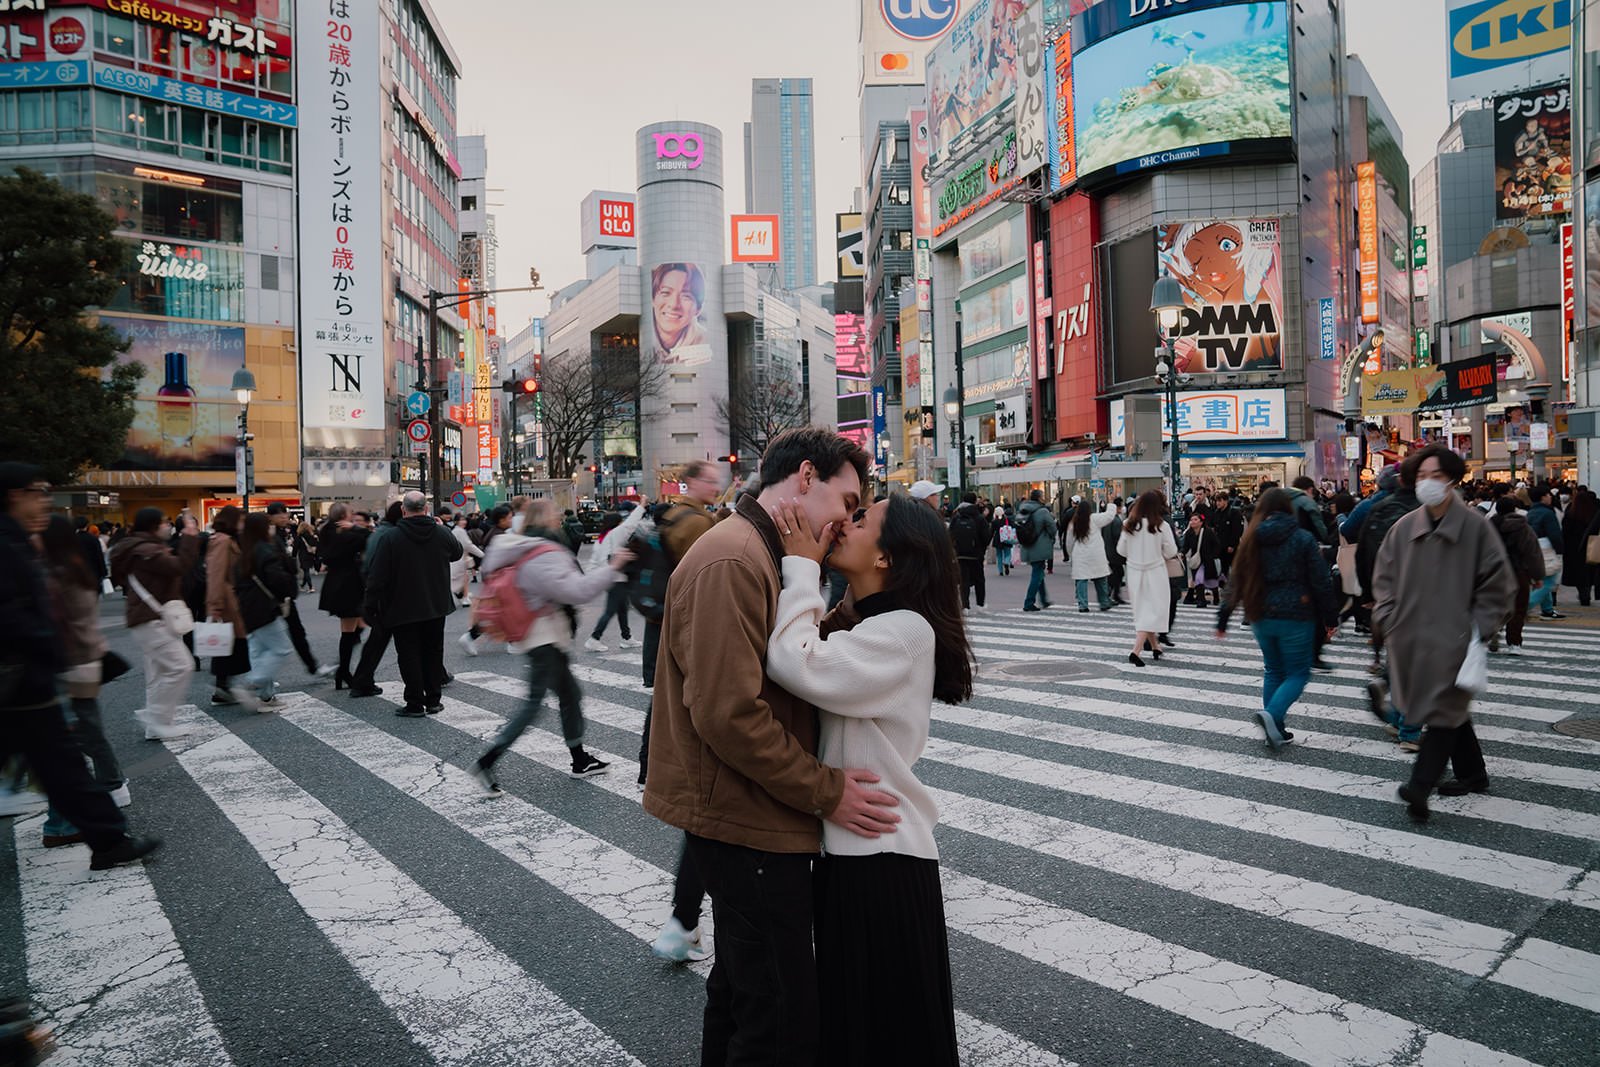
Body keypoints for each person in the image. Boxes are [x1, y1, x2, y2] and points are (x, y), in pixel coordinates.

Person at [643, 427, 898, 1064]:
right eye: (846, 501)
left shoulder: (765, 551)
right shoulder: (735, 557)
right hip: (745, 816)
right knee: (781, 1017)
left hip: (753, 810)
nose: (846, 520)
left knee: (742, 995)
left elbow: (796, 664)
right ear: (805, 478)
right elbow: (729, 714)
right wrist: (827, 792)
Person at [766, 492, 971, 1066]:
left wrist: (802, 566)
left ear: (887, 558)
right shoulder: (880, 623)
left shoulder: (904, 630)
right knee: (869, 1025)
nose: (845, 525)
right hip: (862, 850)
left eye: (862, 520)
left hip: (880, 857)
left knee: (881, 1031)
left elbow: (793, 660)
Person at [0, 462, 158, 870]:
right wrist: (47, 647)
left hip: (25, 678)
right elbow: (10, 614)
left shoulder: (18, 540)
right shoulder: (7, 543)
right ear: (16, 495)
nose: (46, 501)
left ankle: (107, 840)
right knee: (61, 761)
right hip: (18, 677)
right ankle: (107, 839)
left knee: (61, 762)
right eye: (39, 491)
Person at [1374, 445, 1514, 822]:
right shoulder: (1404, 528)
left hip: (1457, 642)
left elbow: (1498, 584)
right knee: (1449, 710)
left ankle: (1419, 786)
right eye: (1421, 476)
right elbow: (1383, 580)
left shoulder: (1474, 528)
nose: (1427, 483)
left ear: (1453, 480)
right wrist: (1389, 618)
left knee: (1442, 712)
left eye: (1435, 476)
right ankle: (1473, 773)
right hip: (1412, 640)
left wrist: (1480, 628)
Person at [471, 497, 634, 791]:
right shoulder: (541, 552)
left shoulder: (517, 546)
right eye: (554, 514)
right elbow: (577, 590)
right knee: (535, 704)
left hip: (542, 635)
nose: (558, 517)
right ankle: (487, 761)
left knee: (570, 694)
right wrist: (615, 567)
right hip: (543, 637)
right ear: (542, 519)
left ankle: (580, 758)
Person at [1215, 490, 1337, 749]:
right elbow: (1321, 580)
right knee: (1298, 672)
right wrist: (1330, 617)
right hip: (1296, 613)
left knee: (1273, 669)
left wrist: (1224, 616)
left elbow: (1236, 579)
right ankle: (1273, 715)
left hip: (1259, 613)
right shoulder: (1303, 538)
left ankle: (1276, 729)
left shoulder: (1251, 539)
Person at [38, 514, 125, 845]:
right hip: (74, 664)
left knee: (69, 740)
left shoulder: (52, 571)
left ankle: (63, 819)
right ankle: (107, 787)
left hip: (69, 664)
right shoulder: (64, 571)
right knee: (76, 738)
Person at [636, 460, 722, 777]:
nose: (716, 486)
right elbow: (701, 576)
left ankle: (650, 765)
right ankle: (657, 765)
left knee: (667, 691)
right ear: (692, 482)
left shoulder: (673, 514)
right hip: (686, 618)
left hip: (662, 616)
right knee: (684, 692)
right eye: (710, 481)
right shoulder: (697, 522)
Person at [363, 492, 462, 717]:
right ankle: (434, 700)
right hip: (435, 604)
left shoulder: (391, 537)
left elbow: (377, 576)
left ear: (403, 511)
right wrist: (442, 527)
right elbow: (456, 553)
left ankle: (415, 702)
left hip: (401, 605)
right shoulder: (440, 532)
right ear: (426, 509)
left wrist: (370, 605)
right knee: (433, 651)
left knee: (408, 654)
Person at [109, 507, 192, 741]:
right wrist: (191, 537)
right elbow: (179, 567)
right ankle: (156, 717)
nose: (168, 525)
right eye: (165, 522)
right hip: (152, 618)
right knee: (181, 666)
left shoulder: (135, 547)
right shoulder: (148, 550)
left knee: (158, 673)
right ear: (155, 525)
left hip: (148, 616)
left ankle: (157, 726)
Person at [227, 512, 299, 709]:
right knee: (281, 649)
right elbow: (278, 579)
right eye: (268, 525)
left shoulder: (244, 551)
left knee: (258, 651)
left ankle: (266, 697)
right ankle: (253, 682)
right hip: (264, 609)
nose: (271, 528)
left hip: (247, 608)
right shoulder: (265, 550)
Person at [266, 502, 331, 680]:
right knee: (264, 638)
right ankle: (256, 678)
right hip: (273, 594)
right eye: (279, 514)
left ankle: (311, 665)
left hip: (279, 593)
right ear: (270, 517)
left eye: (285, 513)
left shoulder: (281, 533)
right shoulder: (269, 536)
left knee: (295, 631)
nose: (284, 517)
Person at [1118, 490, 1179, 667]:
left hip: (1135, 572)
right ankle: (1135, 650)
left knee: (1143, 608)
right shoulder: (1161, 525)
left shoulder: (1128, 524)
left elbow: (1121, 550)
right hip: (1155, 571)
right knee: (1154, 609)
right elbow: (1171, 551)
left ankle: (1155, 646)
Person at [317, 502, 372, 690]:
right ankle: (344, 672)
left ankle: (343, 671)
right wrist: (356, 528)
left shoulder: (325, 532)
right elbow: (370, 538)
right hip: (348, 585)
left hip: (334, 583)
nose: (352, 517)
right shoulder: (347, 534)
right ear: (343, 516)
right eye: (350, 513)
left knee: (352, 627)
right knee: (348, 631)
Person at [203, 506, 251, 705]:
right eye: (240, 520)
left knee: (229, 643)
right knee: (230, 643)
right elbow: (215, 574)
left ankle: (224, 686)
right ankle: (223, 687)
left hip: (229, 597)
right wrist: (215, 605)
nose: (242, 524)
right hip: (227, 599)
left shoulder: (226, 539)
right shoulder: (222, 541)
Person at [1489, 497, 1543, 655]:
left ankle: (1493, 630)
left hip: (1493, 572)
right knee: (1518, 608)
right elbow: (1532, 552)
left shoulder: (1488, 526)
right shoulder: (1522, 527)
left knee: (1494, 605)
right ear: (1514, 509)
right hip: (1517, 571)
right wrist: (1537, 576)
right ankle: (1514, 643)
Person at [585, 510, 642, 651]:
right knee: (610, 611)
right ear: (617, 523)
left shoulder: (601, 538)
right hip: (617, 578)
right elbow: (630, 525)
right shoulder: (615, 534)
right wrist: (641, 506)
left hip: (610, 578)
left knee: (622, 608)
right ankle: (594, 638)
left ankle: (626, 637)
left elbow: (594, 560)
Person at [1067, 499, 1118, 612]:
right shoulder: (1094, 519)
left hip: (1080, 555)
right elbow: (1109, 516)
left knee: (1081, 580)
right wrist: (1110, 504)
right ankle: (1104, 602)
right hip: (1096, 554)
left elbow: (1069, 542)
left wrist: (1071, 555)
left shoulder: (1073, 523)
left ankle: (1083, 605)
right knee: (1100, 579)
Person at [1526, 485, 1564, 619]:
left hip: (1533, 548)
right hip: (1546, 548)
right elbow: (1554, 534)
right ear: (1543, 497)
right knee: (1549, 580)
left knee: (1542, 578)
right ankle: (1524, 607)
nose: (1550, 497)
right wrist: (1560, 549)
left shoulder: (1530, 512)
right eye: (1548, 495)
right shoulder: (1548, 513)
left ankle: (1547, 609)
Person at [948, 492, 991, 612]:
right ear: (974, 501)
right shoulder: (979, 517)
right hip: (976, 554)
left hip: (960, 553)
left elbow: (950, 534)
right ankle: (980, 604)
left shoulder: (957, 516)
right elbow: (986, 537)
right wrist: (982, 548)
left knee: (963, 580)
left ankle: (965, 606)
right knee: (979, 579)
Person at [1017, 489, 1056, 612]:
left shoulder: (1023, 509)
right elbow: (1052, 527)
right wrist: (1051, 537)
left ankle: (1044, 599)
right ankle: (1029, 602)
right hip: (1039, 546)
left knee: (1039, 573)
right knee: (1037, 574)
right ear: (1039, 498)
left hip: (1027, 545)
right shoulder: (1043, 511)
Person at [1560, 489, 1596, 606]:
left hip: (1574, 548)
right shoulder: (1594, 512)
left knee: (1579, 573)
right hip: (1592, 546)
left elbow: (1565, 531)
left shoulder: (1571, 513)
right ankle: (1587, 593)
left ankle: (1583, 594)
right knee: (1590, 572)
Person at [1180, 512, 1224, 606]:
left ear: (1201, 522)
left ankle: (1215, 597)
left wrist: (1213, 555)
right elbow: (1186, 546)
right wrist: (1182, 553)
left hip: (1208, 559)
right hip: (1197, 560)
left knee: (1211, 581)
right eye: (1191, 520)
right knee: (1199, 579)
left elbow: (1216, 544)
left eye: (1195, 520)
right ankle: (1201, 599)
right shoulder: (1189, 533)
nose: (1193, 522)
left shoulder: (1208, 532)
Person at [449, 512, 483, 606]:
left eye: (464, 520)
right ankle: (463, 596)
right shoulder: (459, 531)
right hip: (459, 559)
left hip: (460, 559)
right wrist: (482, 554)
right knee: (462, 579)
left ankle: (464, 596)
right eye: (461, 520)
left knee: (463, 578)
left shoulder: (457, 530)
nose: (464, 522)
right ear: (456, 522)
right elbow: (468, 545)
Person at [292, 521, 319, 592]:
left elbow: (296, 547)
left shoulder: (299, 536)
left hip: (303, 554)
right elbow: (315, 544)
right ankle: (302, 585)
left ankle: (311, 587)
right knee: (306, 570)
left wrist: (293, 555)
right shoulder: (311, 535)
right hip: (310, 554)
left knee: (306, 570)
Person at [992, 506, 1016, 576]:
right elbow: (1014, 527)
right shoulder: (1007, 520)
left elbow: (991, 531)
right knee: (1008, 553)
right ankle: (1006, 562)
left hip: (998, 539)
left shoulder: (994, 521)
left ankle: (1000, 571)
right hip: (1007, 538)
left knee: (999, 555)